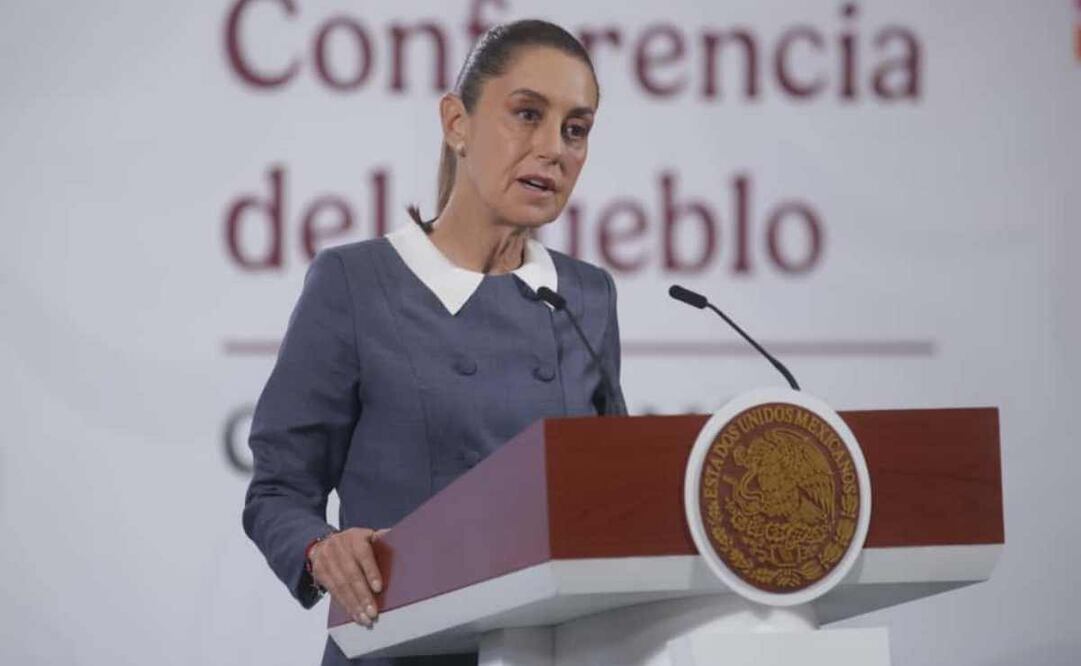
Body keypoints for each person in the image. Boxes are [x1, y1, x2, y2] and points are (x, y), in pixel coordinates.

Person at [242, 19, 624, 666]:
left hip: (547, 649)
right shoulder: (356, 283)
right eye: (526, 114)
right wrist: (321, 550)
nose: (553, 148)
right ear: (456, 122)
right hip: (400, 648)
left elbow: (614, 491)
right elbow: (277, 492)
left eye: (575, 129)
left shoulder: (585, 294)